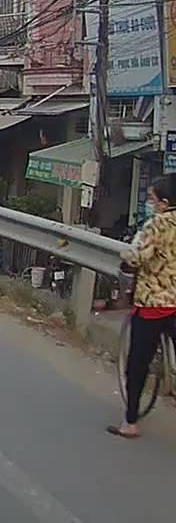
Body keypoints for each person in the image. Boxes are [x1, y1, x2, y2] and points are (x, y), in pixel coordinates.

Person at [110, 175, 176, 439]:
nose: (150, 203)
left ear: (164, 203)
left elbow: (138, 257)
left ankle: (130, 422)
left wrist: (126, 255)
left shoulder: (156, 224)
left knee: (137, 365)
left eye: (152, 199)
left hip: (153, 304)